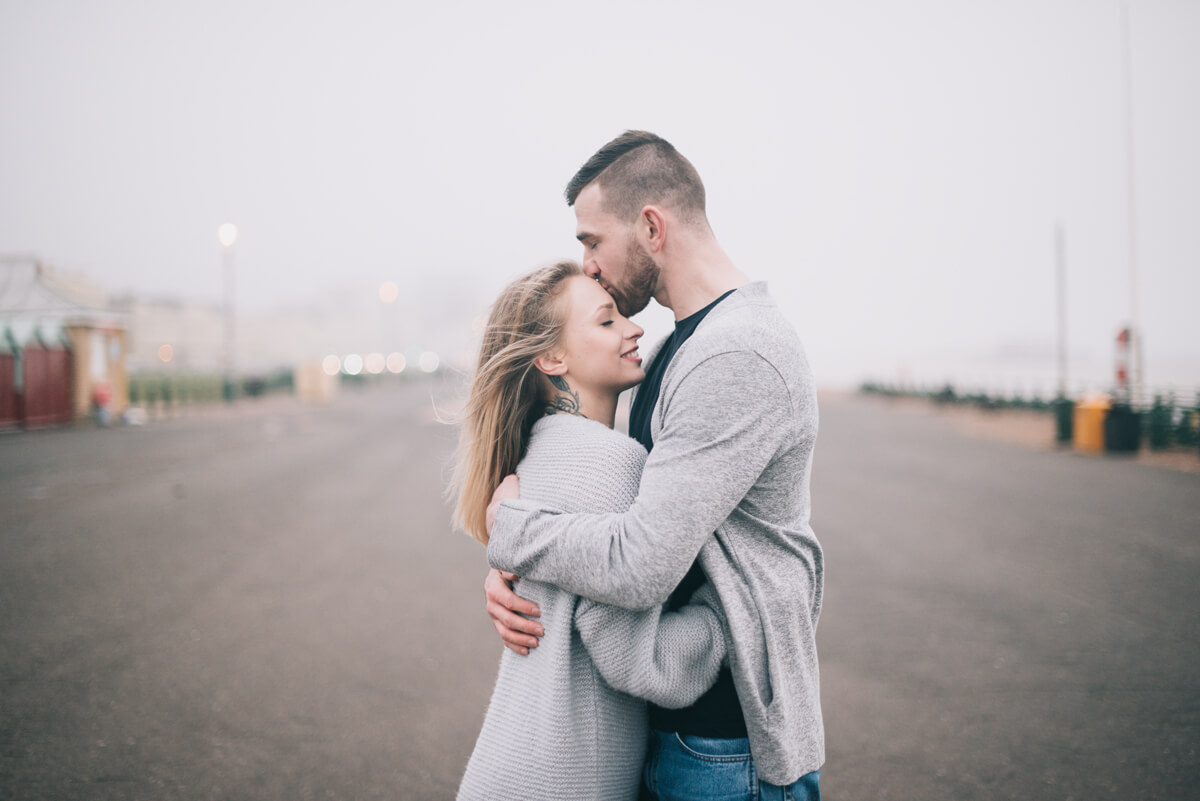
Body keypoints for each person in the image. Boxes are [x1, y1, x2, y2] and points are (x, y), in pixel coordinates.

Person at [483, 131, 824, 800]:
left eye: (591, 241)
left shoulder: (738, 354)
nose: (586, 265)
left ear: (650, 226)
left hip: (729, 751)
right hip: (673, 734)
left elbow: (638, 564)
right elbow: (599, 511)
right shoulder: (675, 350)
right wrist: (512, 575)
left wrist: (515, 530)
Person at [450, 260, 731, 801]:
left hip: (513, 769)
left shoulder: (535, 457)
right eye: (607, 322)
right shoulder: (611, 465)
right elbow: (648, 666)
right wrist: (728, 616)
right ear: (552, 357)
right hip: (557, 783)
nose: (634, 329)